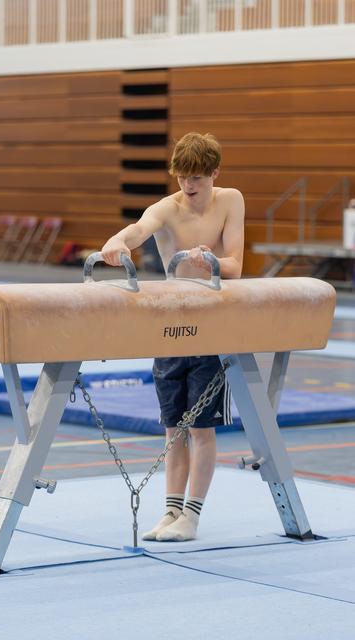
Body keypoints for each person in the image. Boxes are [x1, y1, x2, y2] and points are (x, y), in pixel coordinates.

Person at [101, 132, 245, 542]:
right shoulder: (167, 207)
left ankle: (192, 517)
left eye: (197, 177)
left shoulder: (231, 200)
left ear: (215, 172)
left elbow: (235, 264)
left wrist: (212, 259)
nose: (189, 185)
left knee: (201, 427)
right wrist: (117, 242)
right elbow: (139, 228)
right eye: (182, 177)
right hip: (171, 326)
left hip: (213, 324)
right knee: (173, 427)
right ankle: (171, 511)